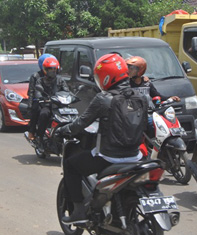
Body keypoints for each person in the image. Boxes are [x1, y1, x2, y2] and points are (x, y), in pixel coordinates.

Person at [56, 53, 148, 224]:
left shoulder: (103, 99)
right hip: (136, 156)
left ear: (107, 77)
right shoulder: (141, 98)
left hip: (109, 158)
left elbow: (80, 124)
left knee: (71, 165)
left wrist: (64, 130)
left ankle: (78, 211)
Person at [28, 55, 69, 142]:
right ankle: (39, 136)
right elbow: (35, 91)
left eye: (54, 69)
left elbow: (66, 90)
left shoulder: (60, 79)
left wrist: (70, 97)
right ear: (45, 69)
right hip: (46, 104)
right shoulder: (40, 79)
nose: (53, 71)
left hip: (58, 104)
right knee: (43, 114)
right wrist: (39, 98)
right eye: (50, 69)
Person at [26, 53, 53, 141]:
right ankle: (32, 132)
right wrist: (30, 106)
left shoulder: (55, 76)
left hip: (52, 100)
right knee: (36, 110)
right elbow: (31, 91)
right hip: (39, 100)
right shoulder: (35, 76)